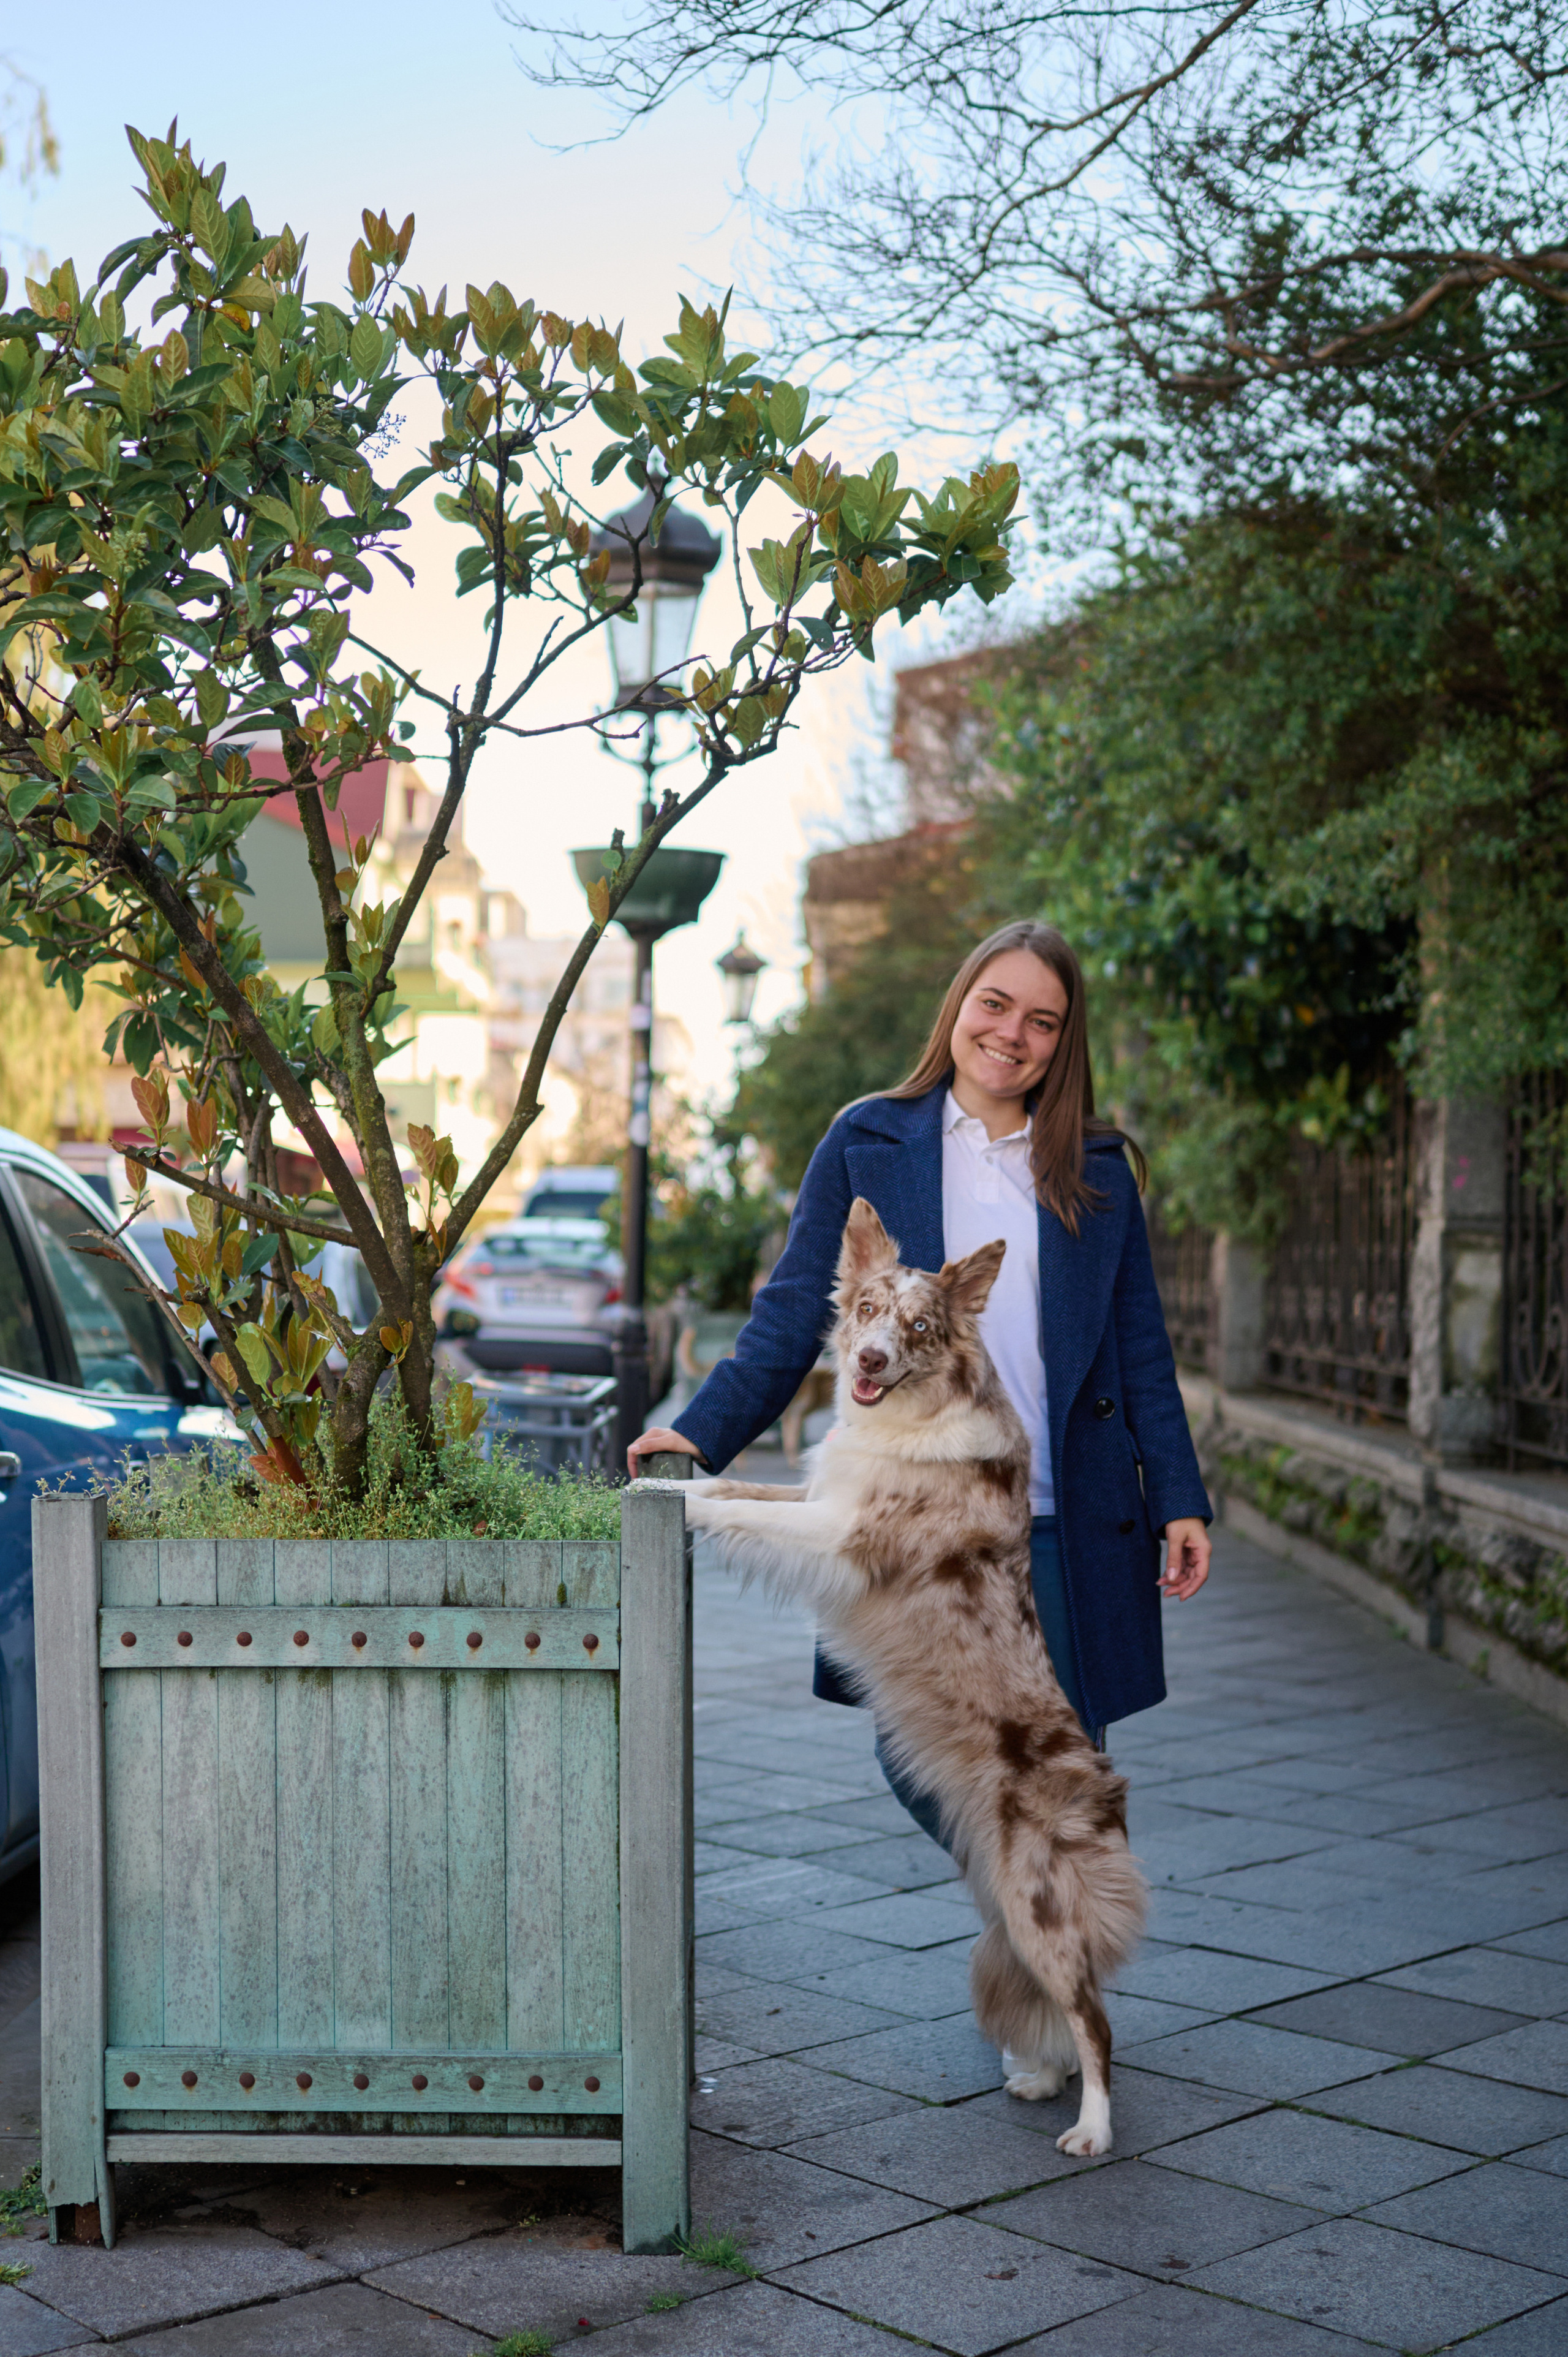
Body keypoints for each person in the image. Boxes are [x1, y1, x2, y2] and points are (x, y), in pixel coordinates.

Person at [629, 920, 1211, 1834]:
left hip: (1064, 1512)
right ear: (960, 1007)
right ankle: (1037, 1927)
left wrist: (1178, 1495)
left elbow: (1138, 1348)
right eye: (996, 1004)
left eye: (1043, 1021)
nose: (1012, 1034)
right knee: (923, 1760)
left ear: (1065, 1042)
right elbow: (794, 1310)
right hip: (919, 1505)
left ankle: (1054, 1961)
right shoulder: (869, 1138)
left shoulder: (1095, 1171)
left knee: (1059, 1770)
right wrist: (700, 1433)